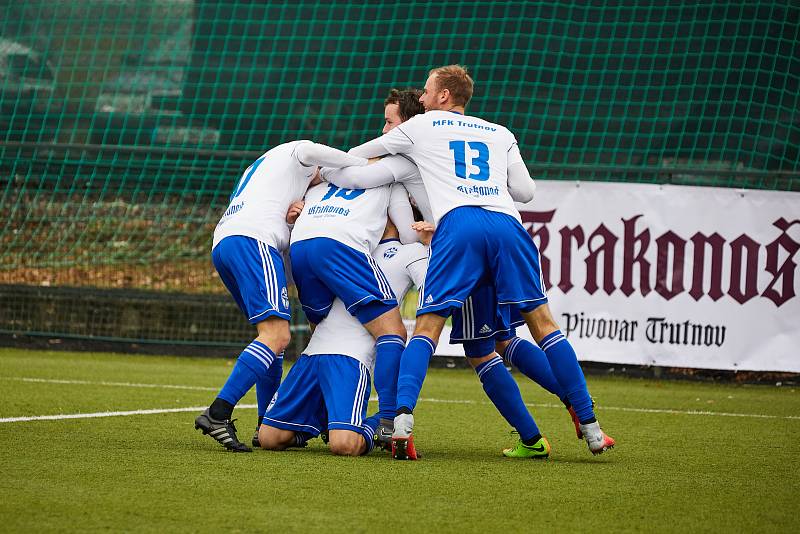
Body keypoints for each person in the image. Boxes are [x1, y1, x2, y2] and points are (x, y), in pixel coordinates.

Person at [347, 65, 616, 459]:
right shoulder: (500, 132)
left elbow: (360, 159)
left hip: (459, 229)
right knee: (527, 329)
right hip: (506, 224)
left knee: (430, 327)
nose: (422, 97)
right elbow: (525, 190)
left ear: (442, 97)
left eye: (426, 91)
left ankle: (400, 421)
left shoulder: (419, 130)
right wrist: (484, 184)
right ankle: (587, 423)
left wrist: (318, 173)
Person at [194, 141, 367, 452]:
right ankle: (218, 413)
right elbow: (314, 152)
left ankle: (265, 422)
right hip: (253, 240)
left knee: (271, 338)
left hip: (226, 242)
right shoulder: (297, 151)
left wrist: (290, 223)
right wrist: (360, 163)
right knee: (277, 335)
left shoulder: (264, 168)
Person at [260, 216, 428, 456]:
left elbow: (433, 288)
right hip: (312, 354)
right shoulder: (348, 245)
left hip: (350, 358)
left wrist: (430, 244)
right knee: (269, 438)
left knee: (344, 445)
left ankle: (380, 424)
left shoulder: (411, 251)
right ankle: (322, 424)